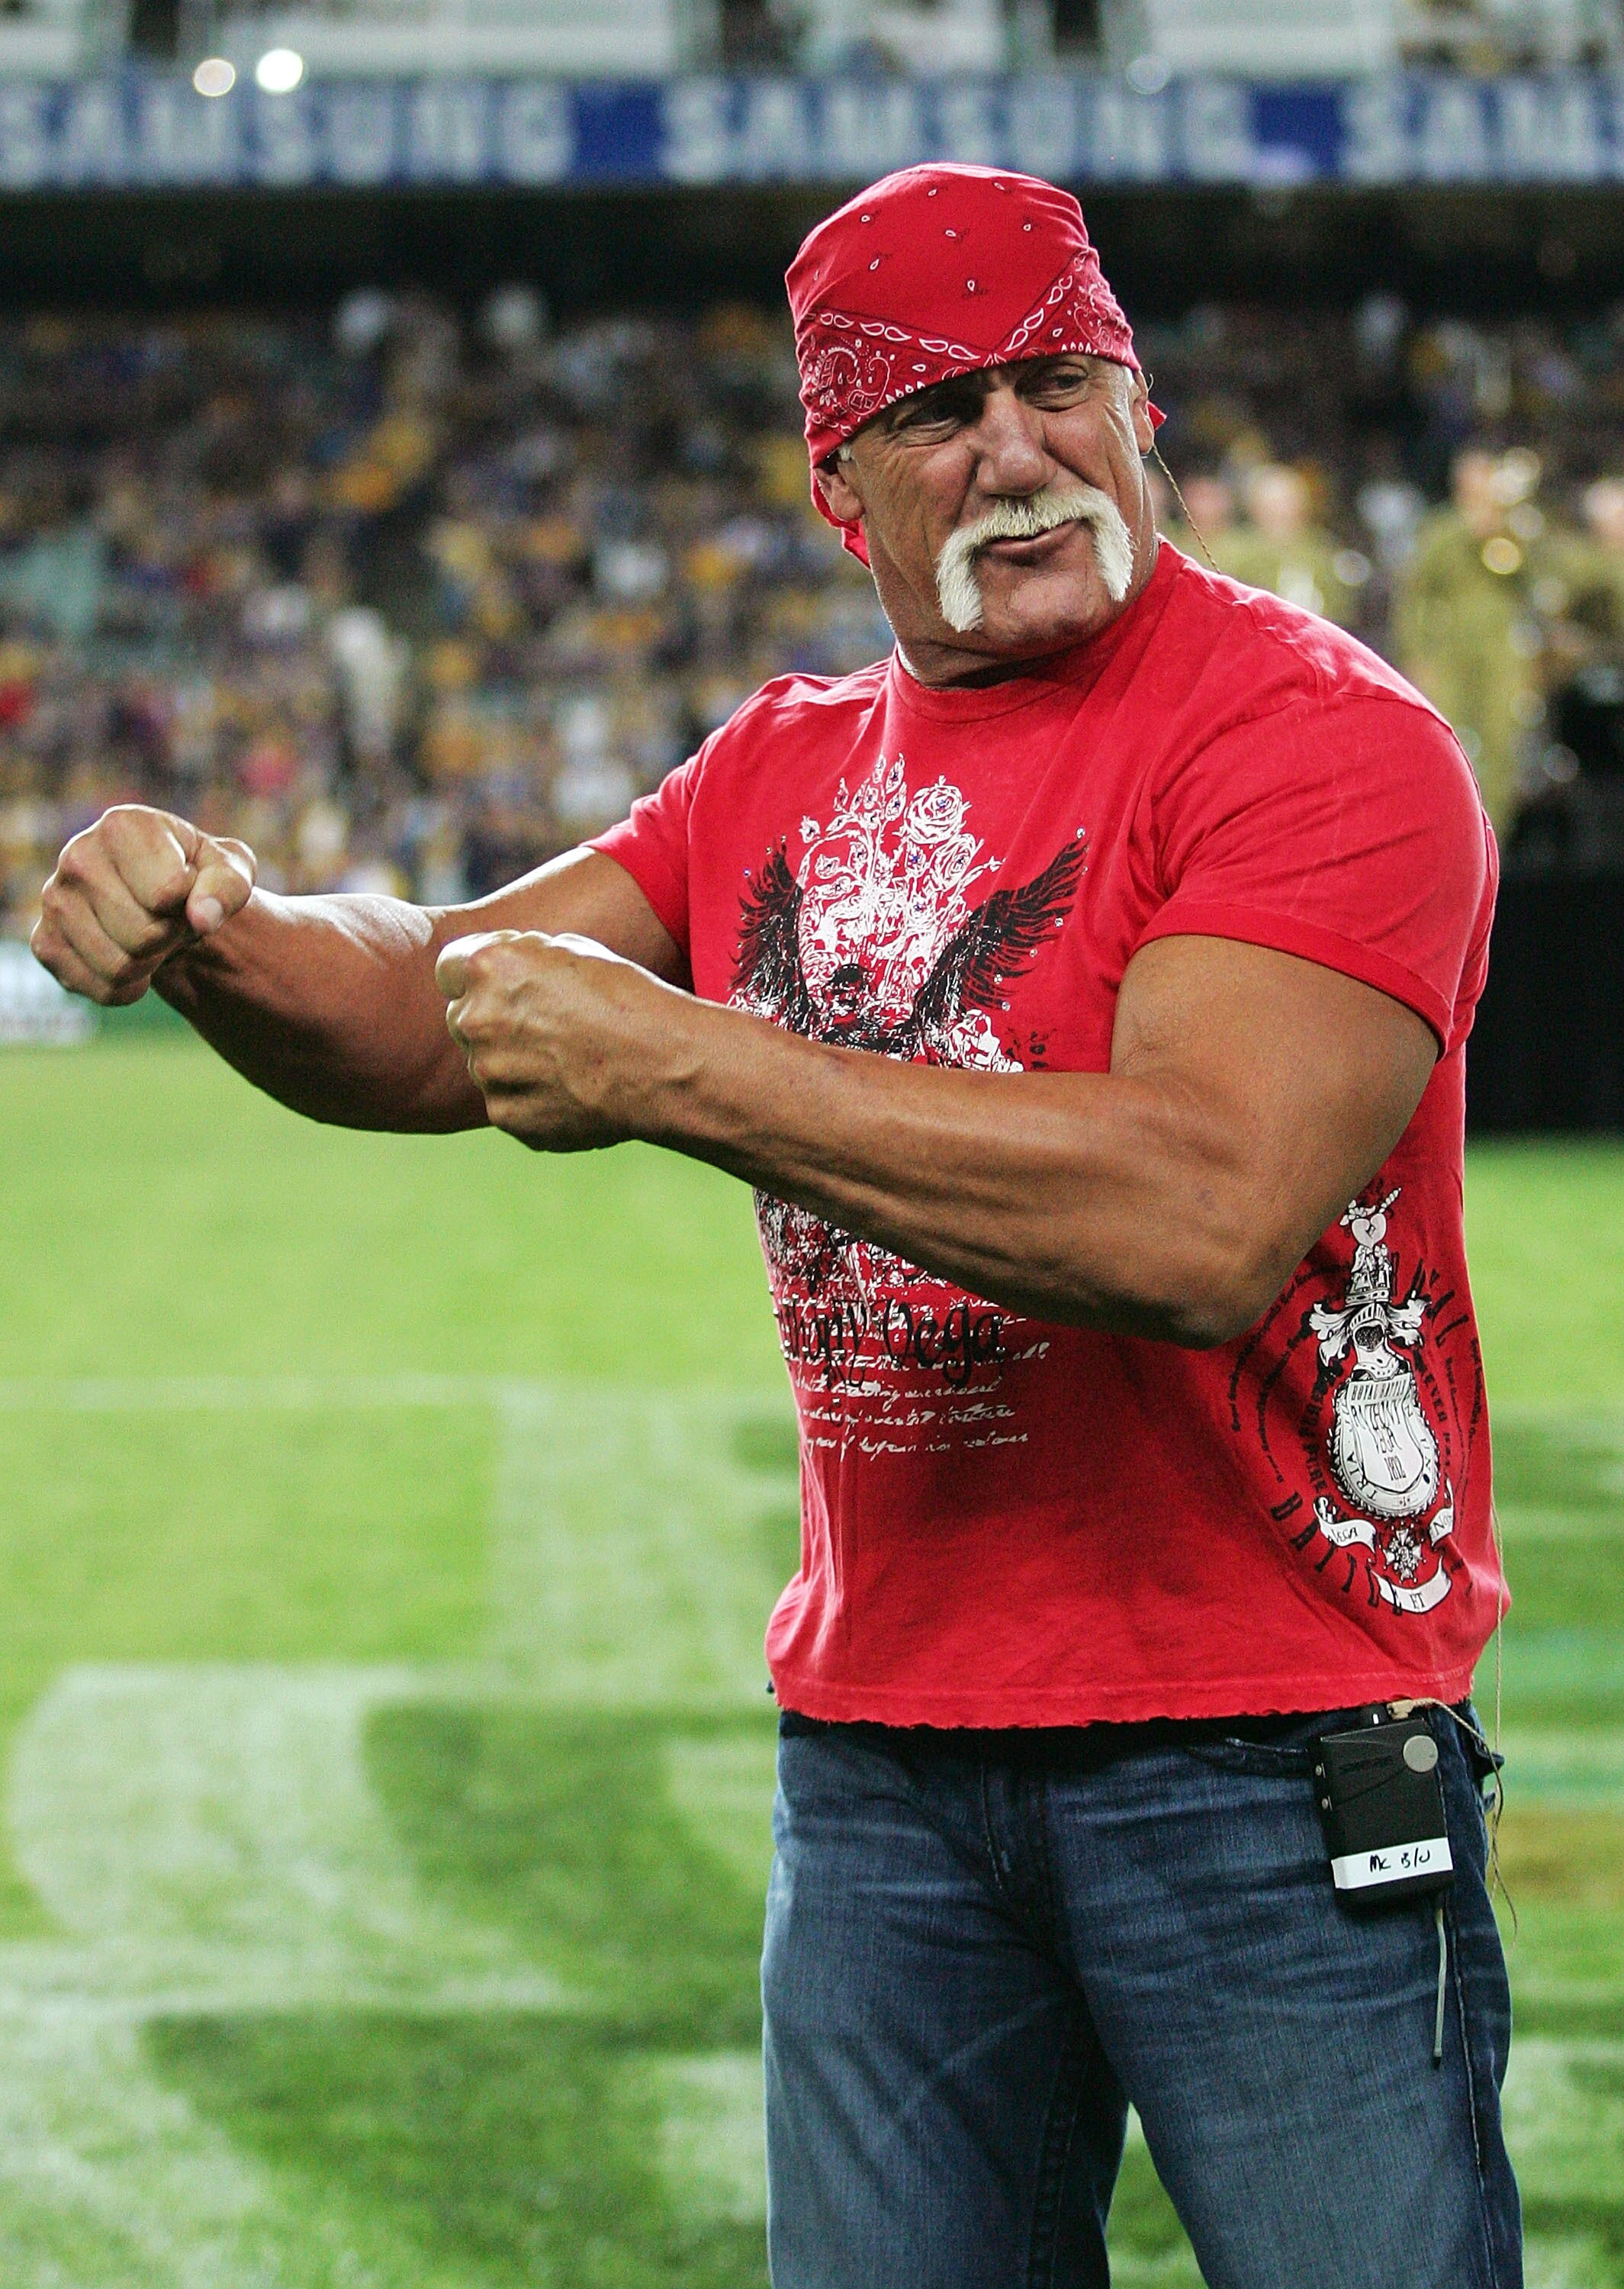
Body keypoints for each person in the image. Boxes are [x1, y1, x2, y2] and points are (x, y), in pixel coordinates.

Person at [34, 166, 1516, 2289]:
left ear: (1142, 402)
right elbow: (430, 998)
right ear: (843, 488)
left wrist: (685, 1069)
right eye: (935, 412)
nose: (1013, 446)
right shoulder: (779, 772)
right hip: (891, 1763)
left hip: (1266, 1743)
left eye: (1056, 381)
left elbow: (1201, 1213)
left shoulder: (1324, 743)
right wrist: (218, 925)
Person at [1394, 444, 1545, 834]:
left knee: (1501, 743)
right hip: (1449, 651)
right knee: (1448, 745)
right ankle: (1452, 835)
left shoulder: (1517, 526)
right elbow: (1416, 593)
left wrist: (1501, 525)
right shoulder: (1441, 529)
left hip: (1501, 653)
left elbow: (1531, 575)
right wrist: (1415, 656)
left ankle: (1498, 841)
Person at [1211, 460, 1364, 626]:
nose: (1281, 510)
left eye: (1287, 501)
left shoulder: (1321, 549)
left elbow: (1340, 608)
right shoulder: (1237, 551)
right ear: (1255, 507)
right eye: (1273, 504)